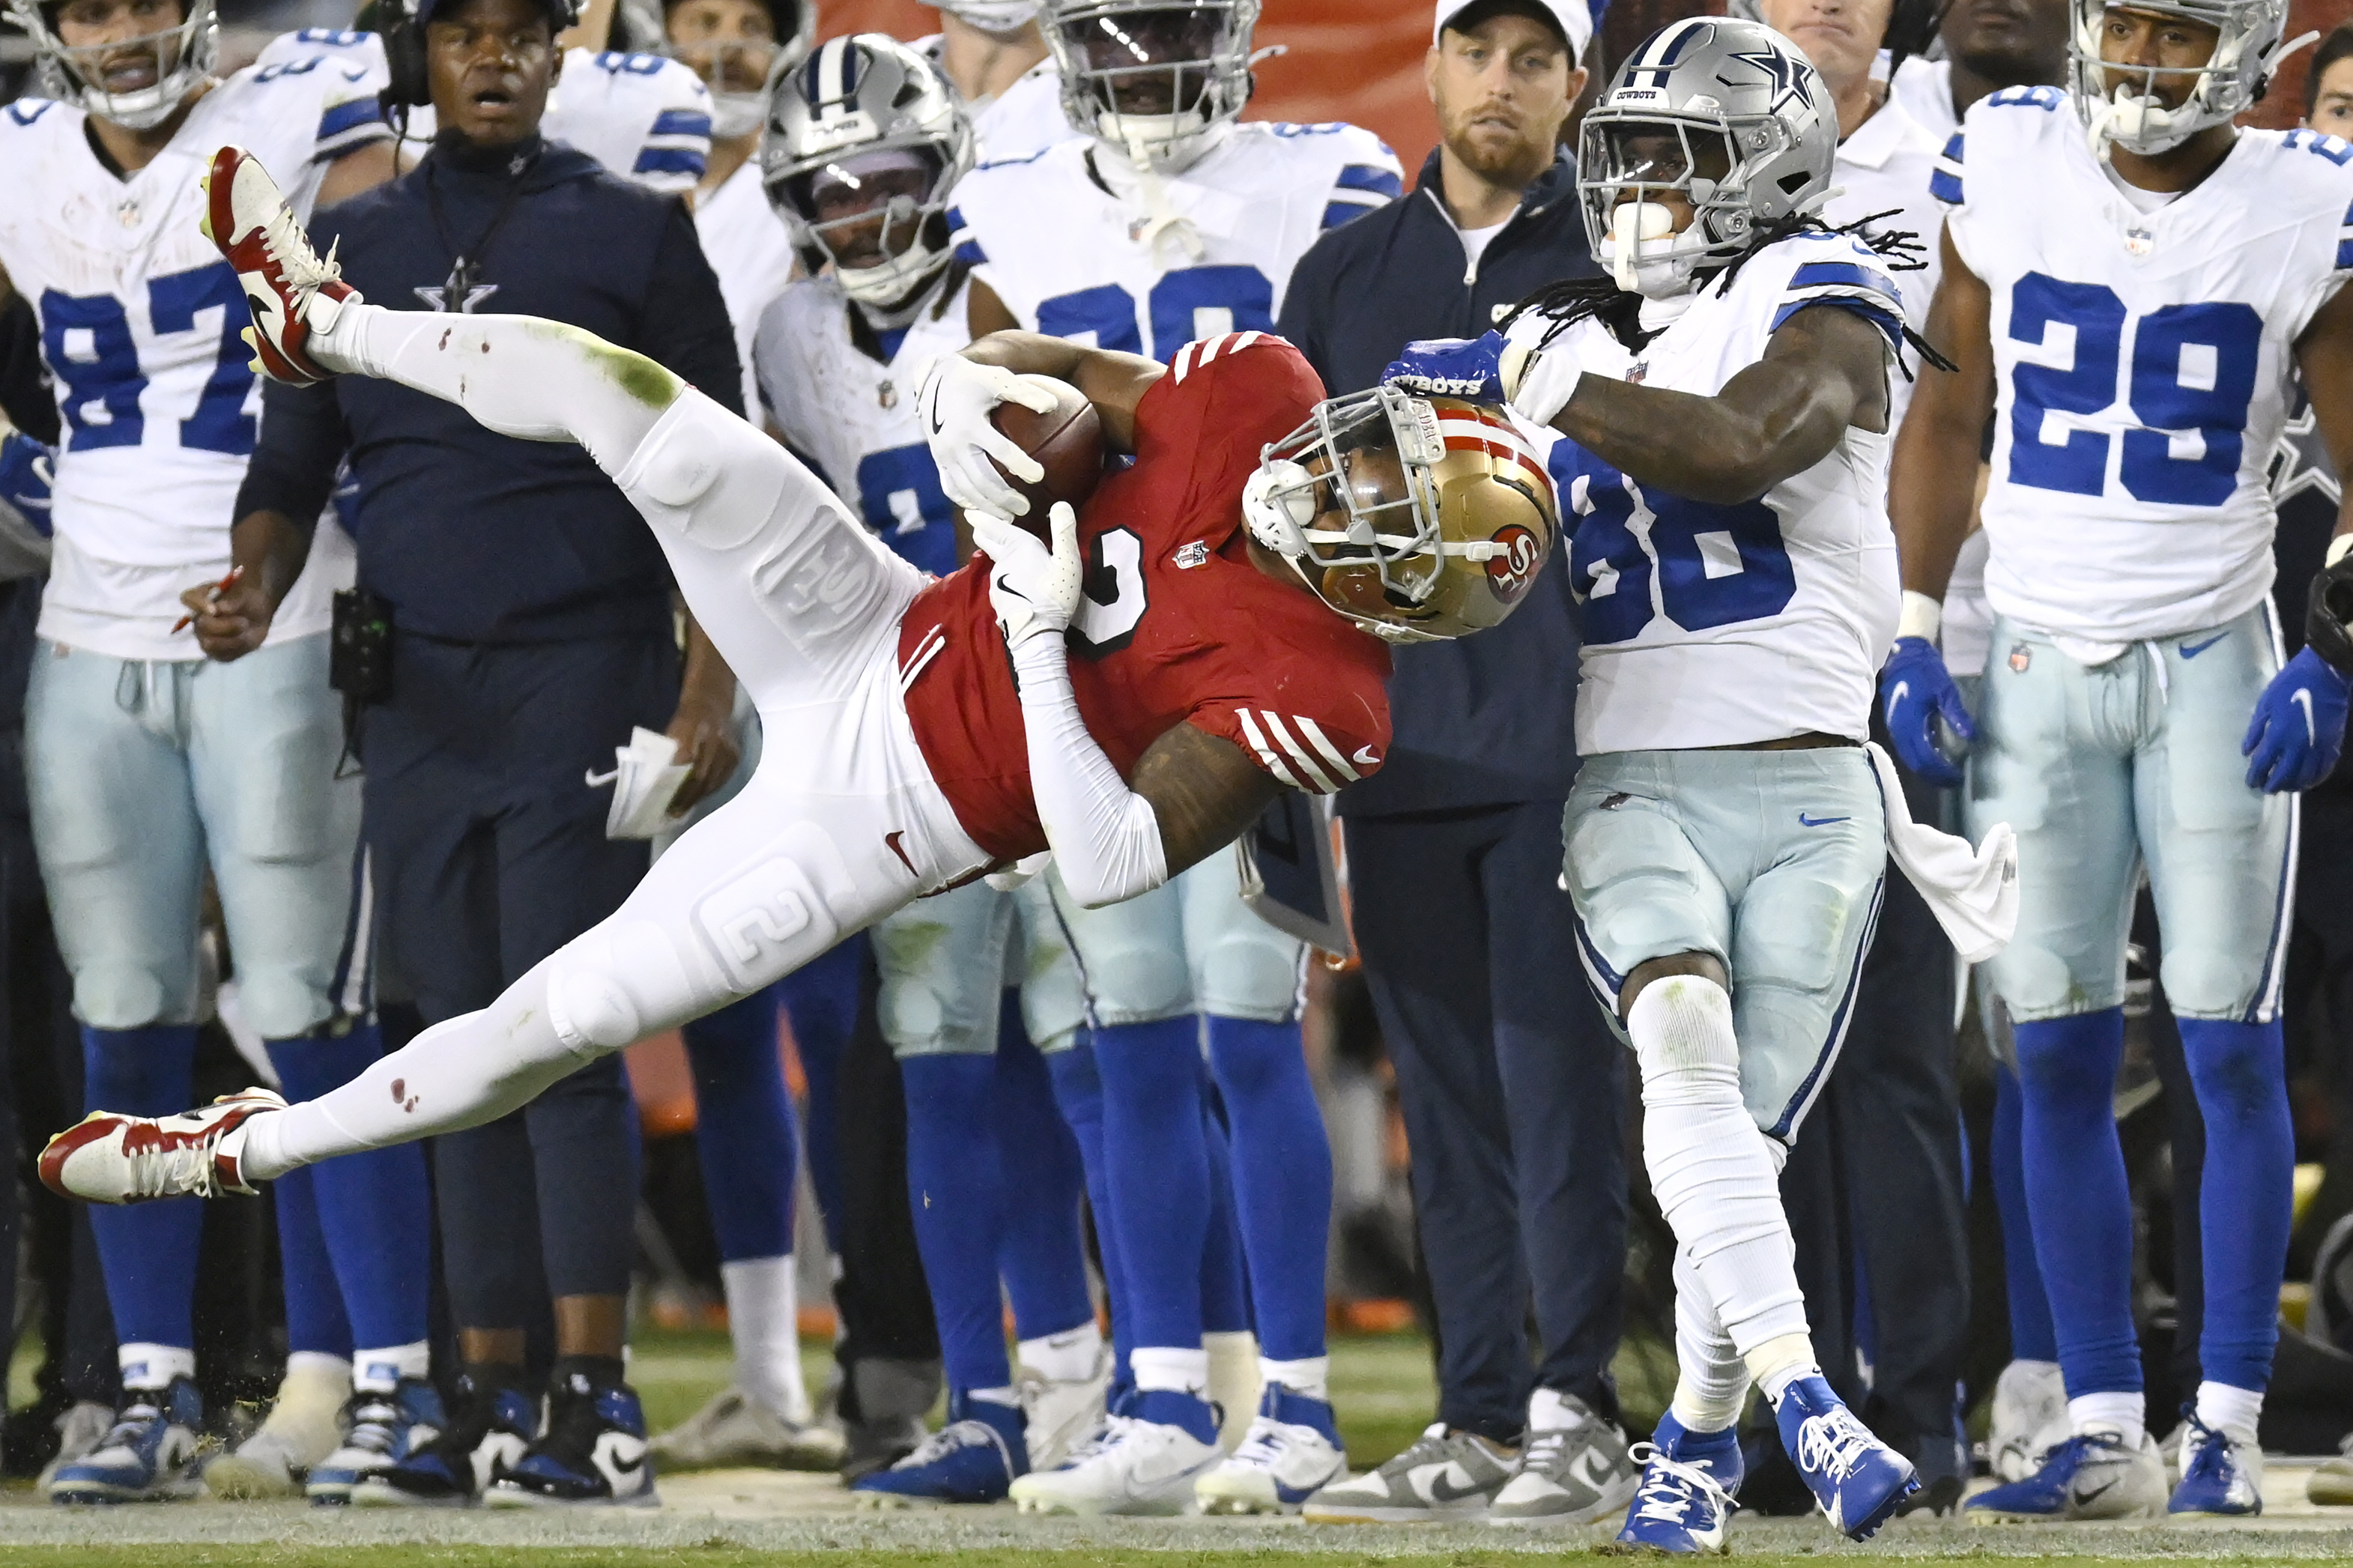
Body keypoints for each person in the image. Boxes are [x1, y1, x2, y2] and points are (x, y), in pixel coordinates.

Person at [46, 165, 1557, 1538]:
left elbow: (1102, 860)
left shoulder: (1320, 696)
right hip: (872, 614)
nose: (1345, 468)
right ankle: (332, 325)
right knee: (622, 396)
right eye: (1380, 449)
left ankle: (242, 1148)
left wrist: (1033, 644)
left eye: (1382, 502)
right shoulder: (1257, 387)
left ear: (1394, 584)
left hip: (880, 820)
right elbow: (1052, 372)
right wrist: (975, 386)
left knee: (551, 1024)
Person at [1385, 13, 2021, 1551]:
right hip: (1626, 781)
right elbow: (1465, 565)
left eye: (1677, 157)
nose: (1638, 191)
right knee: (1681, 1067)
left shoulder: (1829, 290)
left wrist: (1546, 391)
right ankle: (1810, 1406)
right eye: (1622, 158)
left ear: (1769, 164)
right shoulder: (1576, 332)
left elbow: (1745, 441)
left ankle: (1687, 1444)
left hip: (1810, 788)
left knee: (1742, 1144)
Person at [181, 0, 745, 1509]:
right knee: (449, 1048)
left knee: (559, 1039)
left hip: (583, 675)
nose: (489, 56)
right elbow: (292, 454)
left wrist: (706, 685)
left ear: (558, 53)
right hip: (415, 695)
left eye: (515, 32)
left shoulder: (635, 229)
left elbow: (717, 475)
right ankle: (475, 1393)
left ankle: (593, 1396)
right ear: (415, 61)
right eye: (460, 35)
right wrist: (252, 577)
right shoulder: (348, 239)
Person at [1886, 0, 2353, 1521]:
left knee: (2224, 1044)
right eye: (2125, 27)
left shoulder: (2301, 196)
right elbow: (1948, 409)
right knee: (2053, 1054)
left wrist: (2333, 648)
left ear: (2235, 48)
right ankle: (2097, 1426)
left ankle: (2219, 1424)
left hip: (2214, 656)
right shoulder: (2006, 154)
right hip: (2027, 658)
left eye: (2175, 33)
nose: (2143, 63)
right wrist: (1905, 624)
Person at [944, 0, 1405, 1515]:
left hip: (1237, 669)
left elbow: (1356, 432)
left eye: (1172, 30)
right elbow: (985, 432)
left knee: (1242, 1024)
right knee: (1127, 1029)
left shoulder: (1324, 172)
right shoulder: (1002, 191)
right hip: (1090, 660)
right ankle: (1155, 1394)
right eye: (1118, 33)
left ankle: (1293, 1401)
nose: (1145, 63)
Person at [0, 0, 428, 1506]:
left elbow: (390, 314)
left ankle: (383, 1378)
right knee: (119, 1017)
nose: (116, 33)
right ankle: (147, 1390)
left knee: (307, 1013)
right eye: (88, 6)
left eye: (139, 0)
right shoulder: (20, 154)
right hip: (87, 631)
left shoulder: (310, 104)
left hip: (281, 613)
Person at [1273, 0, 1639, 1529]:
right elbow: (1274, 521)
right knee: (1444, 1096)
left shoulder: (1623, 258)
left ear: (1576, 82)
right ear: (1428, 68)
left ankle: (1579, 1409)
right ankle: (1477, 1413)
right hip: (1402, 740)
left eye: (1534, 58)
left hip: (1577, 729)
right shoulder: (1344, 271)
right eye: (1477, 52)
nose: (1502, 83)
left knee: (1562, 1089)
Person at [749, 34, 1105, 1507]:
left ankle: (1130, 1373)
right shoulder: (782, 335)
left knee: (1095, 1066)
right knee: (932, 1065)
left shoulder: (1007, 287)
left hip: (1046, 724)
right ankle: (977, 1398)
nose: (862, 212)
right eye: (829, 189)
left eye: (887, 177)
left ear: (940, 170)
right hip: (905, 748)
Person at [1753, 0, 1975, 1515]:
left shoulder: (1954, 161)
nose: (1817, 0)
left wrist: (1917, 629)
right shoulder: (1690, 154)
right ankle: (1790, 1400)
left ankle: (1928, 1397)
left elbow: (1944, 421)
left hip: (1903, 650)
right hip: (1734, 661)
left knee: (1894, 1049)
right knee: (1766, 1059)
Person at [635, 0, 845, 1477]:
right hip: (658, 640)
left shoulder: (831, 186)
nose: (719, 41)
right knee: (720, 1017)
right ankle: (767, 1370)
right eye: (697, 13)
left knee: (847, 1027)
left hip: (817, 650)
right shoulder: (625, 179)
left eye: (743, 19)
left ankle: (919, 1359)